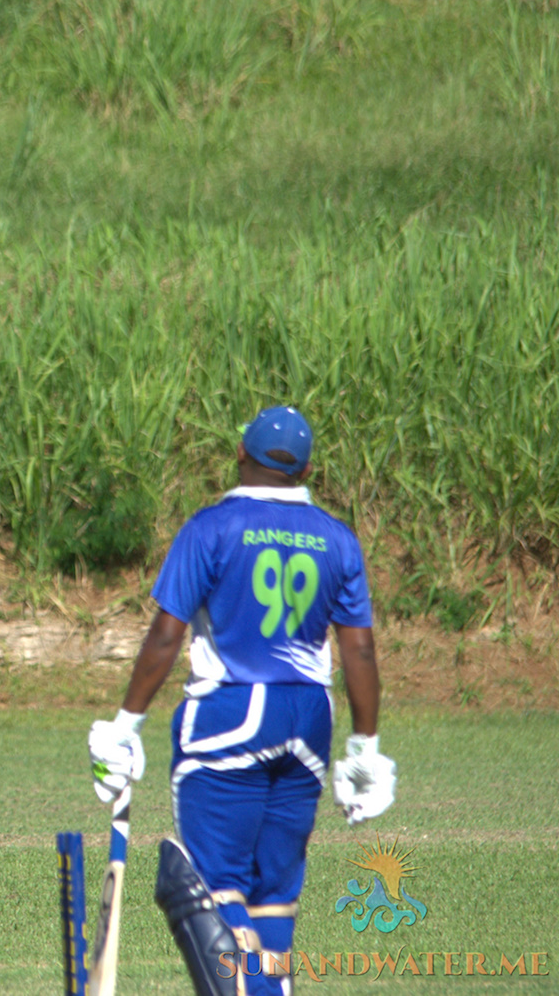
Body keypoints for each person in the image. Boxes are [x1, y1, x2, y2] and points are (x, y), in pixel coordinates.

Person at [87, 407, 397, 996]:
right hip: (309, 719)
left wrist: (124, 727)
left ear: (238, 452)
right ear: (307, 468)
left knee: (206, 887)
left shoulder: (212, 527)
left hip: (230, 713)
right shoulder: (337, 537)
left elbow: (165, 635)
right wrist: (367, 748)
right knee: (273, 903)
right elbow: (358, 652)